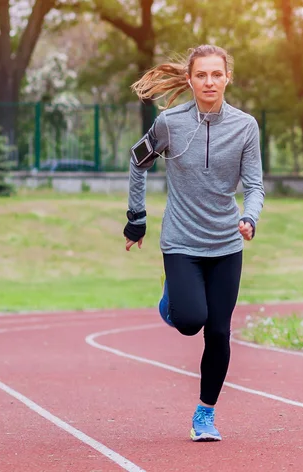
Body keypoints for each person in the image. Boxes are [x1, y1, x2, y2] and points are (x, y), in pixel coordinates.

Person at [122, 44, 265, 442]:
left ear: (227, 78)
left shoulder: (245, 127)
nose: (209, 82)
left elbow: (254, 184)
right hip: (182, 242)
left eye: (216, 74)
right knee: (189, 321)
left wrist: (249, 217)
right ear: (190, 80)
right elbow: (138, 161)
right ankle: (172, 300)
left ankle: (205, 414)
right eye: (201, 75)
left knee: (218, 333)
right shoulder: (169, 123)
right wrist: (136, 219)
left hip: (225, 244)